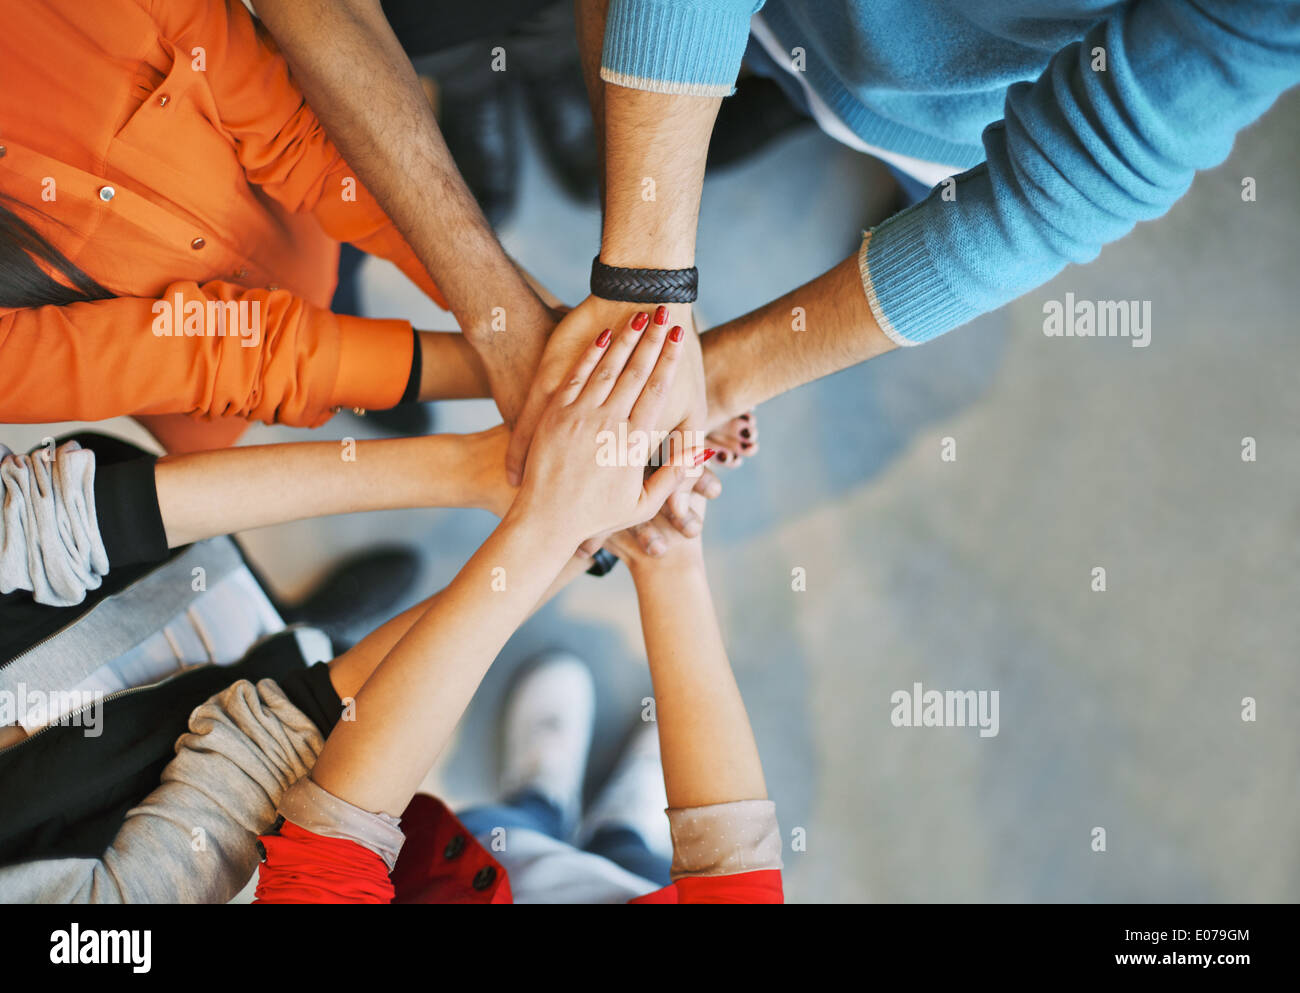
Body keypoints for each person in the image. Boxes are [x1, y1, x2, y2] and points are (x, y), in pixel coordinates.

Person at [502, 0, 1300, 500]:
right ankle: (756, 93)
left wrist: (706, 371)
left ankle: (790, 108)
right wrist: (651, 290)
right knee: (688, 79)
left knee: (800, 126)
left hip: (957, 125)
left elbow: (1068, 181)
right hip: (768, 20)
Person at [252, 312, 782, 903]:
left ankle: (538, 796)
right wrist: (665, 552)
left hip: (476, 864)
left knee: (515, 826)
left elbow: (332, 848)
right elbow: (734, 877)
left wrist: (557, 526)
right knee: (642, 856)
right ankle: (628, 822)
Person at [0, 0, 519, 454]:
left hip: (295, 221)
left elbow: (301, 142)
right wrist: (499, 364)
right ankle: (363, 386)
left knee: (345, 270)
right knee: (339, 364)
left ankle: (364, 367)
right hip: (207, 383)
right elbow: (220, 360)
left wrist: (506, 318)